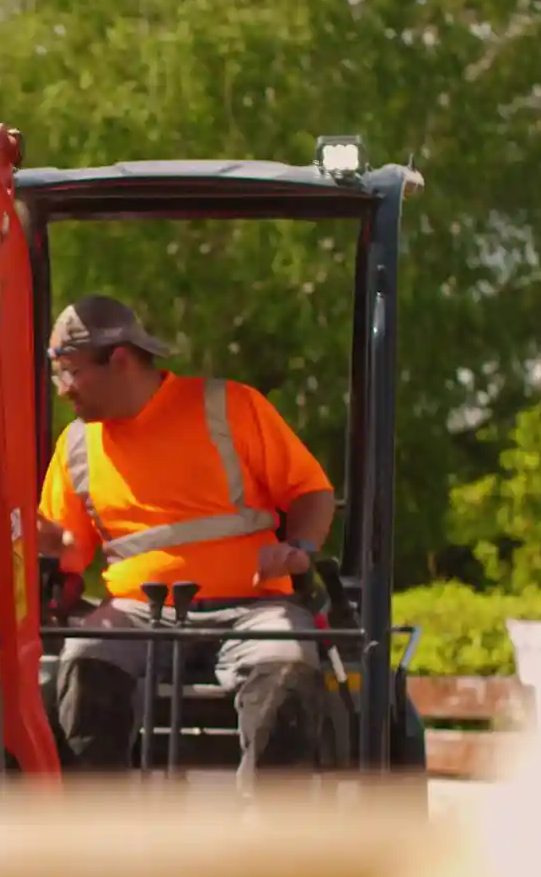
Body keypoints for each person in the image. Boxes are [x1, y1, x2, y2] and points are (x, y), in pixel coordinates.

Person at [36, 293, 346, 790]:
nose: (63, 390)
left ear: (120, 360)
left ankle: (268, 832)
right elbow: (69, 551)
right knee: (85, 659)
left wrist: (300, 551)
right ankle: (99, 829)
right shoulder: (75, 444)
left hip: (255, 606)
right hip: (138, 613)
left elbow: (311, 492)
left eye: (71, 373)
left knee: (287, 665)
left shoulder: (229, 407)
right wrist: (46, 542)